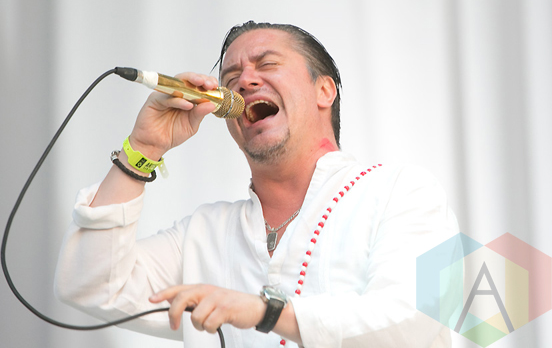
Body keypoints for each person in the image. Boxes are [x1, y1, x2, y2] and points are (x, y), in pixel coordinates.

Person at [54, 21, 459, 347]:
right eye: (231, 76)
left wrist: (265, 312)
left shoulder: (406, 190)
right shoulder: (205, 233)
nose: (244, 81)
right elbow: (90, 287)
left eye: (266, 65)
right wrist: (142, 149)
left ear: (324, 91)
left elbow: (420, 318)